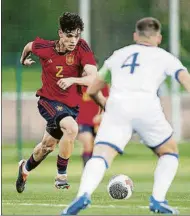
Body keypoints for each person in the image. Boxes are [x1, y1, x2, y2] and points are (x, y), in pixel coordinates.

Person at [61, 17, 190, 215]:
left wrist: (105, 106)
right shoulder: (164, 56)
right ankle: (157, 200)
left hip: (118, 106)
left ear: (135, 36)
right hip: (147, 106)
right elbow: (184, 77)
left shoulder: (119, 55)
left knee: (101, 154)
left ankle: (82, 196)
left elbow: (95, 88)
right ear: (158, 38)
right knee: (169, 152)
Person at [16, 12, 97, 193]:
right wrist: (23, 60)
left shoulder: (82, 47)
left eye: (77, 36)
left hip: (71, 106)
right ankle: (61, 176)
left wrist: (73, 80)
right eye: (69, 36)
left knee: (47, 147)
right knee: (72, 128)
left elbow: (93, 78)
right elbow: (29, 46)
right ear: (60, 33)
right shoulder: (45, 47)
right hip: (48, 101)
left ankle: (24, 169)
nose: (73, 40)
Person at [77, 84, 109, 167]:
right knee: (88, 144)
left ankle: (93, 170)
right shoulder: (77, 84)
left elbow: (106, 102)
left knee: (96, 148)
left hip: (97, 122)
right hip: (83, 121)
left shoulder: (102, 84)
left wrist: (101, 115)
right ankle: (86, 171)